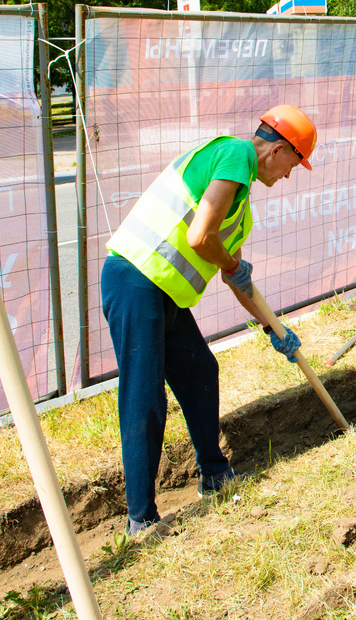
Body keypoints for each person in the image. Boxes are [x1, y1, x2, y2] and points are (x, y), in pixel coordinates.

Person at [101, 105, 317, 535]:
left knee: (202, 369)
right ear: (278, 150)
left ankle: (215, 475)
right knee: (145, 396)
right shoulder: (235, 153)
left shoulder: (242, 207)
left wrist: (275, 329)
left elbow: (233, 275)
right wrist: (234, 265)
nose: (291, 175)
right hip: (135, 278)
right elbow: (201, 238)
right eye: (296, 163)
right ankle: (140, 520)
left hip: (166, 296)